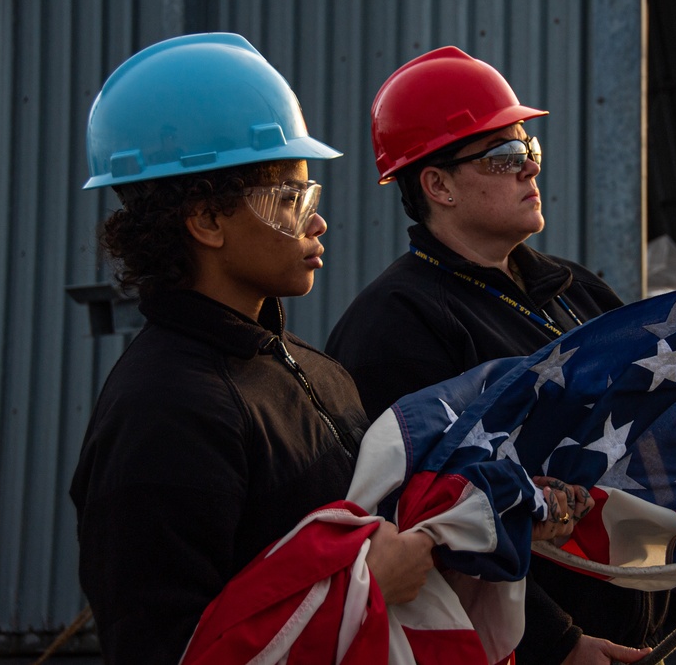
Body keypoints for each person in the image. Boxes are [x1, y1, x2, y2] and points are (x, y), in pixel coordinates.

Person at [326, 46, 676, 664]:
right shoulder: (395, 326)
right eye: (504, 157)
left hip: (641, 628)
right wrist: (561, 644)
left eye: (530, 151)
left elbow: (651, 449)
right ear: (437, 185)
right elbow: (431, 522)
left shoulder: (575, 290)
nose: (529, 170)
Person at [67, 33, 442, 664]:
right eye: (290, 199)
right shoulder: (165, 410)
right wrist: (366, 586)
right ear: (206, 221)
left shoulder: (316, 372)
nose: (315, 221)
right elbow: (168, 647)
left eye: (309, 197)